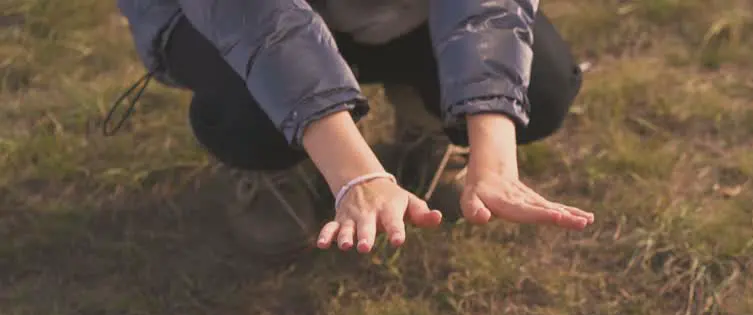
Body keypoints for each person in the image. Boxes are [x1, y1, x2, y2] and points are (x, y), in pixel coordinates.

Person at [108, 0, 594, 257]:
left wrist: (495, 156)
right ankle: (268, 160)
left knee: (540, 85)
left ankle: (428, 122)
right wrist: (356, 174)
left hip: (395, 10)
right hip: (220, 19)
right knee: (249, 96)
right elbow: (255, 20)